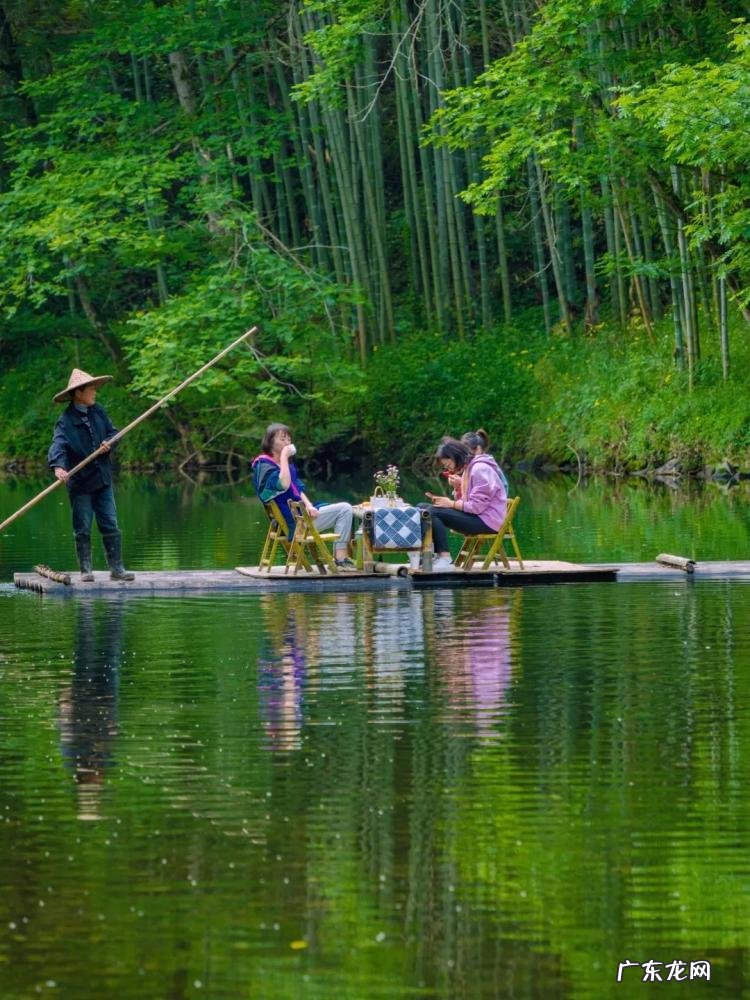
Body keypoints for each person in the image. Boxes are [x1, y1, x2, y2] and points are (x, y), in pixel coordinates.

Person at [48, 368, 134, 582]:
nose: (95, 392)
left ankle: (117, 570)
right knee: (83, 528)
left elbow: (114, 433)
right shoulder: (66, 420)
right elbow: (58, 445)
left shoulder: (98, 412)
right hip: (80, 483)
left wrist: (110, 442)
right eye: (91, 389)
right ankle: (86, 571)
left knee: (110, 524)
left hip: (103, 479)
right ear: (79, 393)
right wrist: (59, 467)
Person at [251, 423, 357, 570]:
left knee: (343, 508)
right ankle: (340, 558)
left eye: (289, 439)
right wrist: (283, 457)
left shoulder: (283, 465)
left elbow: (297, 489)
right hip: (295, 524)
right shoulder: (264, 466)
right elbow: (284, 484)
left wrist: (309, 505)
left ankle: (340, 558)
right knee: (345, 509)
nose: (287, 443)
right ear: (269, 442)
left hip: (300, 516)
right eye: (282, 439)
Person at [424, 437, 507, 571]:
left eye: (448, 465)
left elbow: (476, 507)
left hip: (487, 521)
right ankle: (429, 556)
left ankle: (444, 559)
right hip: (478, 516)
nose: (448, 469)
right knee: (423, 508)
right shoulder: (470, 469)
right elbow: (468, 503)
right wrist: (458, 487)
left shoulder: (480, 469)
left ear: (455, 456)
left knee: (433, 512)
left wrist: (450, 504)